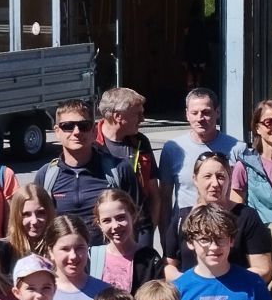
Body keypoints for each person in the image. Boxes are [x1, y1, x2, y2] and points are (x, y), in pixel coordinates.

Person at [37, 99, 139, 245]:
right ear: (57, 132)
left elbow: (138, 221)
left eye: (83, 126)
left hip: (108, 261)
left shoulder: (119, 169)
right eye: (68, 126)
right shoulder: (45, 176)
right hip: (66, 261)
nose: (76, 132)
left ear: (93, 131)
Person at [161, 152, 272, 280]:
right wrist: (191, 284)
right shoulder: (182, 218)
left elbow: (263, 270)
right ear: (195, 179)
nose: (215, 183)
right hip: (190, 296)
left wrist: (218, 285)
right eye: (207, 176)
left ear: (229, 179)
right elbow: (168, 266)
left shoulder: (246, 217)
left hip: (234, 294)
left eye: (220, 177)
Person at [155, 86, 244, 227]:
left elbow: (240, 196)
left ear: (218, 112)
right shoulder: (172, 148)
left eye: (206, 112)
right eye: (194, 113)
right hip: (184, 229)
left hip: (224, 229)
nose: (200, 118)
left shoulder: (237, 149)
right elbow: (165, 197)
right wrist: (166, 236)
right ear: (187, 114)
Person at [94, 87, 159, 236]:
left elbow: (154, 193)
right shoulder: (90, 141)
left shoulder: (141, 142)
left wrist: (149, 231)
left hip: (138, 231)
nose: (143, 119)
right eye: (138, 114)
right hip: (102, 231)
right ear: (118, 116)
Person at [229, 98, 272, 225]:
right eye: (269, 122)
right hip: (261, 236)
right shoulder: (244, 166)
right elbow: (237, 213)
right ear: (257, 128)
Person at [44, 215, 106, 300]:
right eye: (65, 249)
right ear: (51, 251)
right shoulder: (41, 294)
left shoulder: (104, 292)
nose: (73, 256)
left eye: (79, 248)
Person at [91, 188, 164, 291]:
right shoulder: (91, 258)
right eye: (107, 220)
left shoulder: (150, 259)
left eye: (121, 217)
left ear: (133, 215)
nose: (115, 225)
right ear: (100, 225)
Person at [1, 181, 55, 272]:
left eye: (41, 213)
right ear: (16, 216)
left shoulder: (60, 247)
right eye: (26, 214)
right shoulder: (3, 251)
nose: (34, 221)